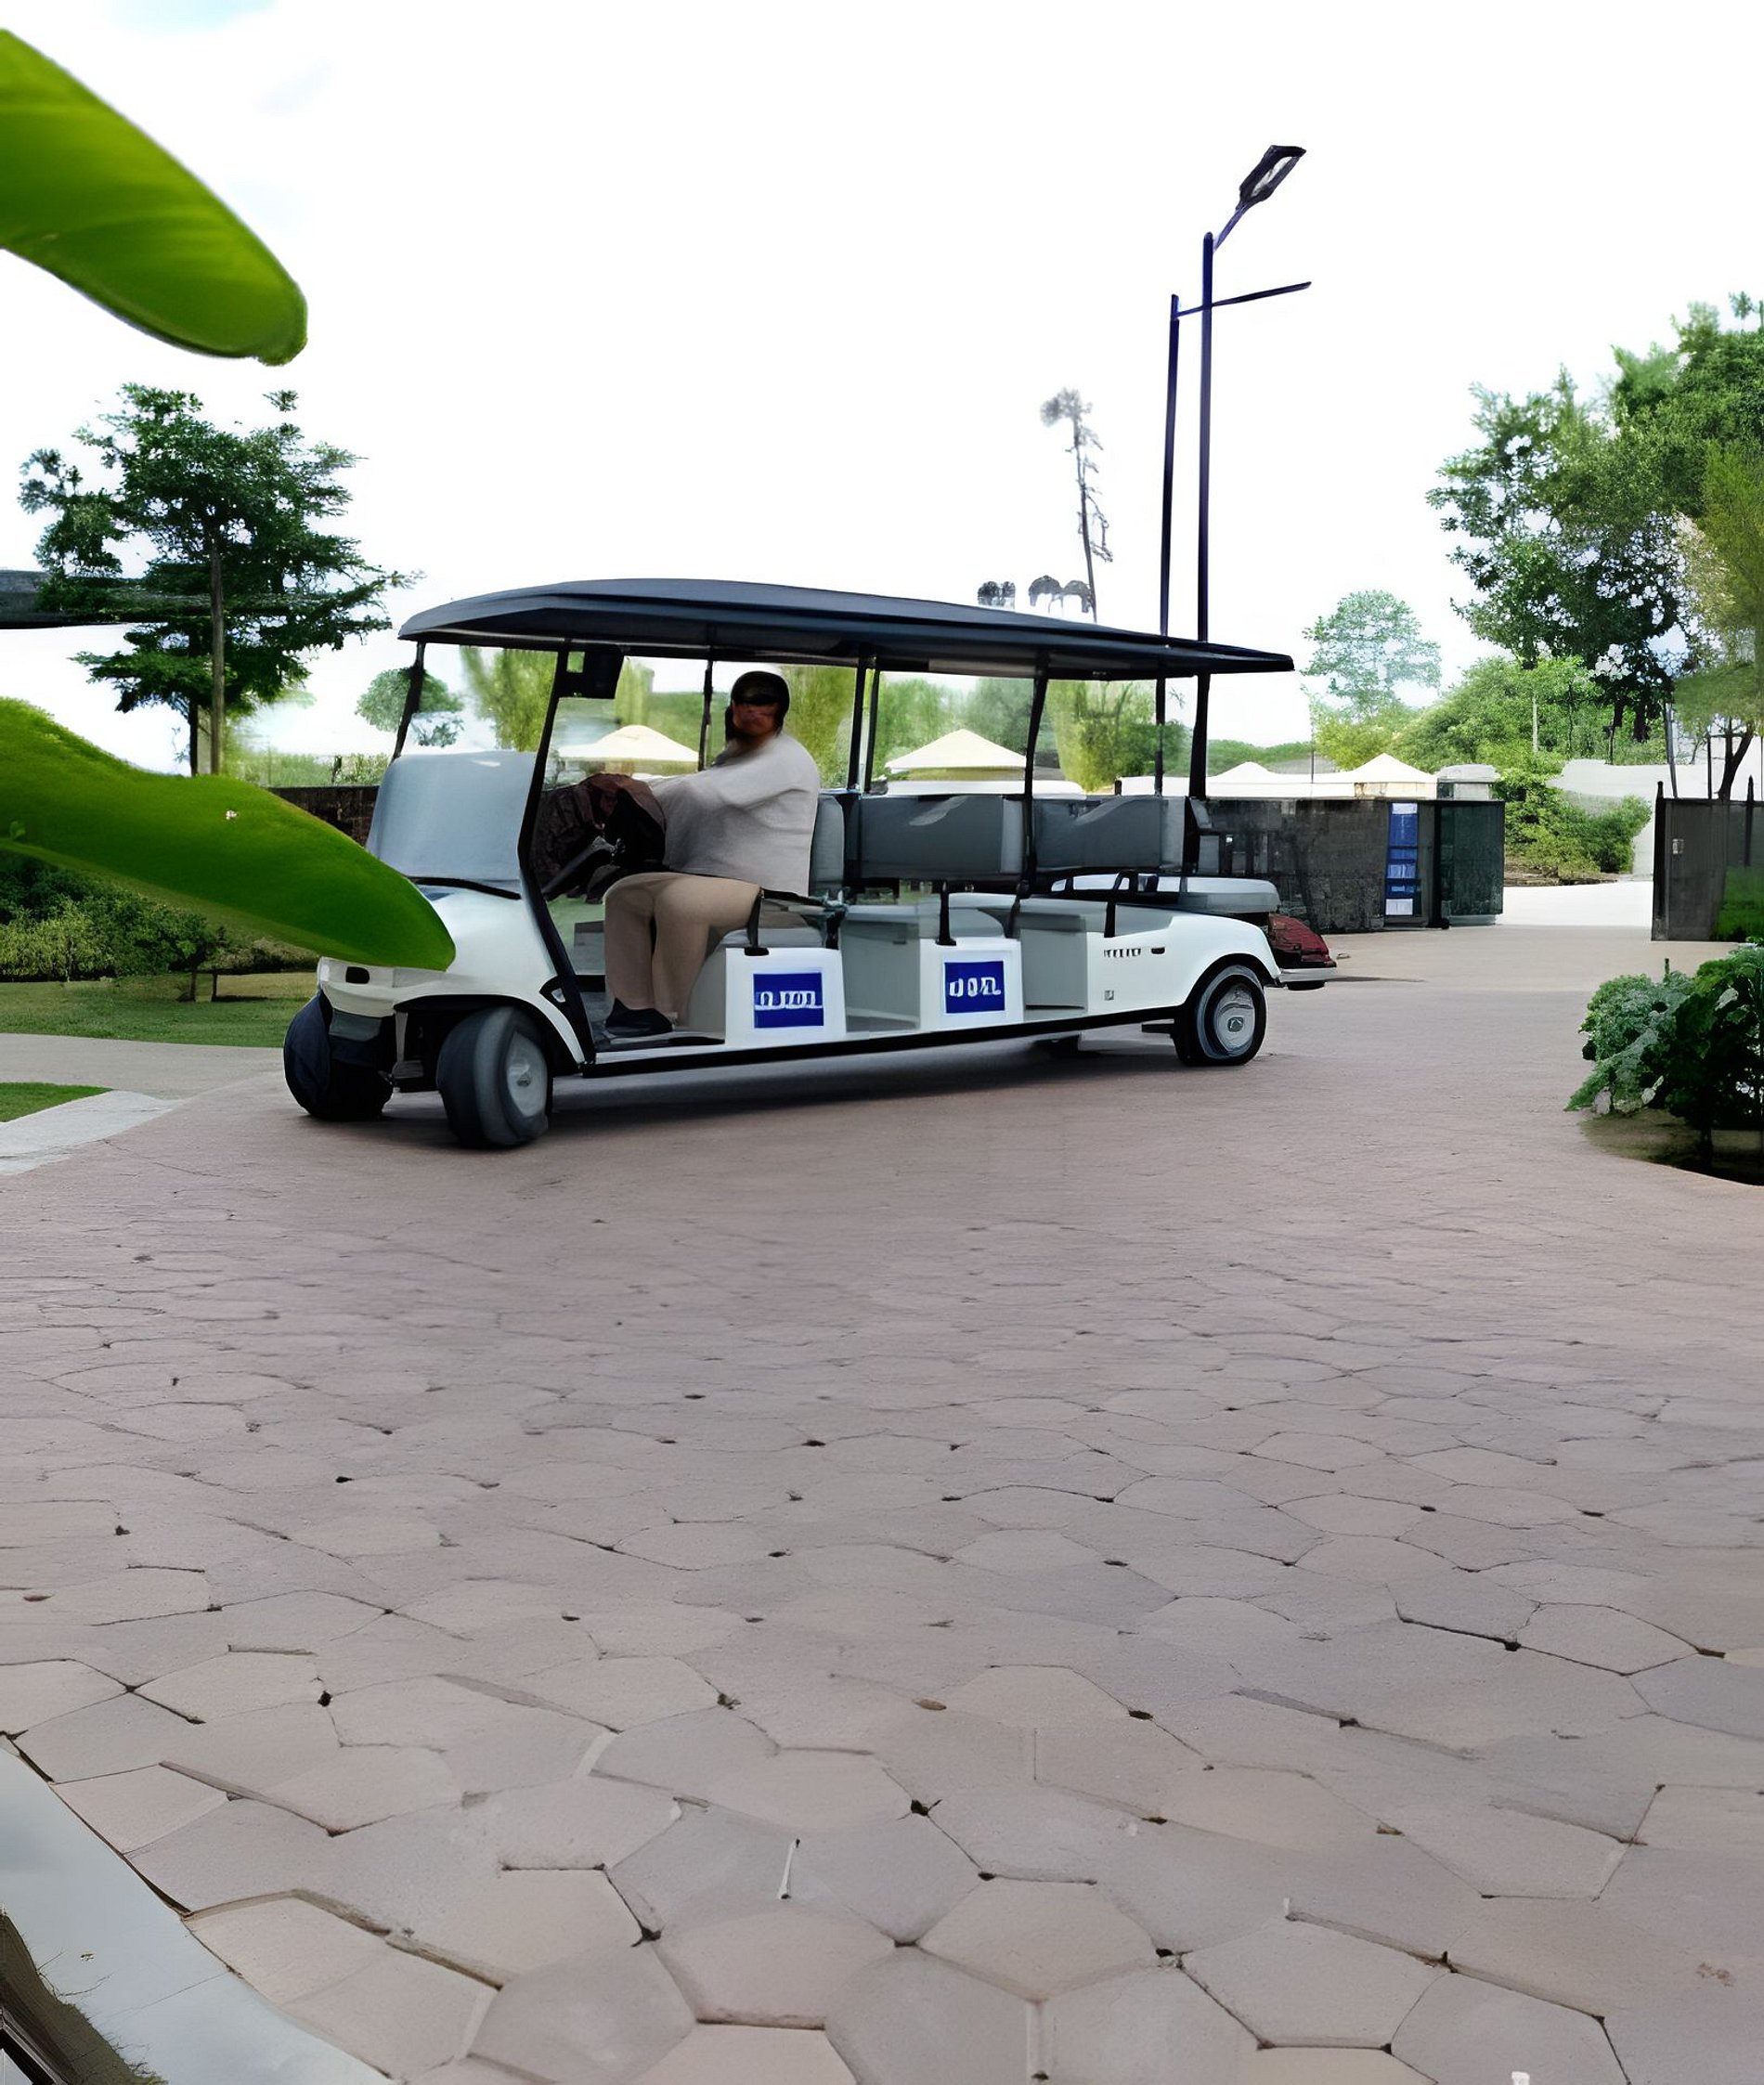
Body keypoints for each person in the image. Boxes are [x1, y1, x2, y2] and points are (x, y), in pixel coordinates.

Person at [594, 669, 820, 1036]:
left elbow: (703, 794)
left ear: (779, 712)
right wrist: (629, 790)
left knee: (682, 901)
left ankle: (674, 1016)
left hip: (773, 895)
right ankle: (635, 1008)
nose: (751, 712)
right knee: (625, 893)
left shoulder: (786, 758)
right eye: (744, 704)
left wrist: (633, 790)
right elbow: (699, 785)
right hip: (721, 883)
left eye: (762, 706)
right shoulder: (737, 758)